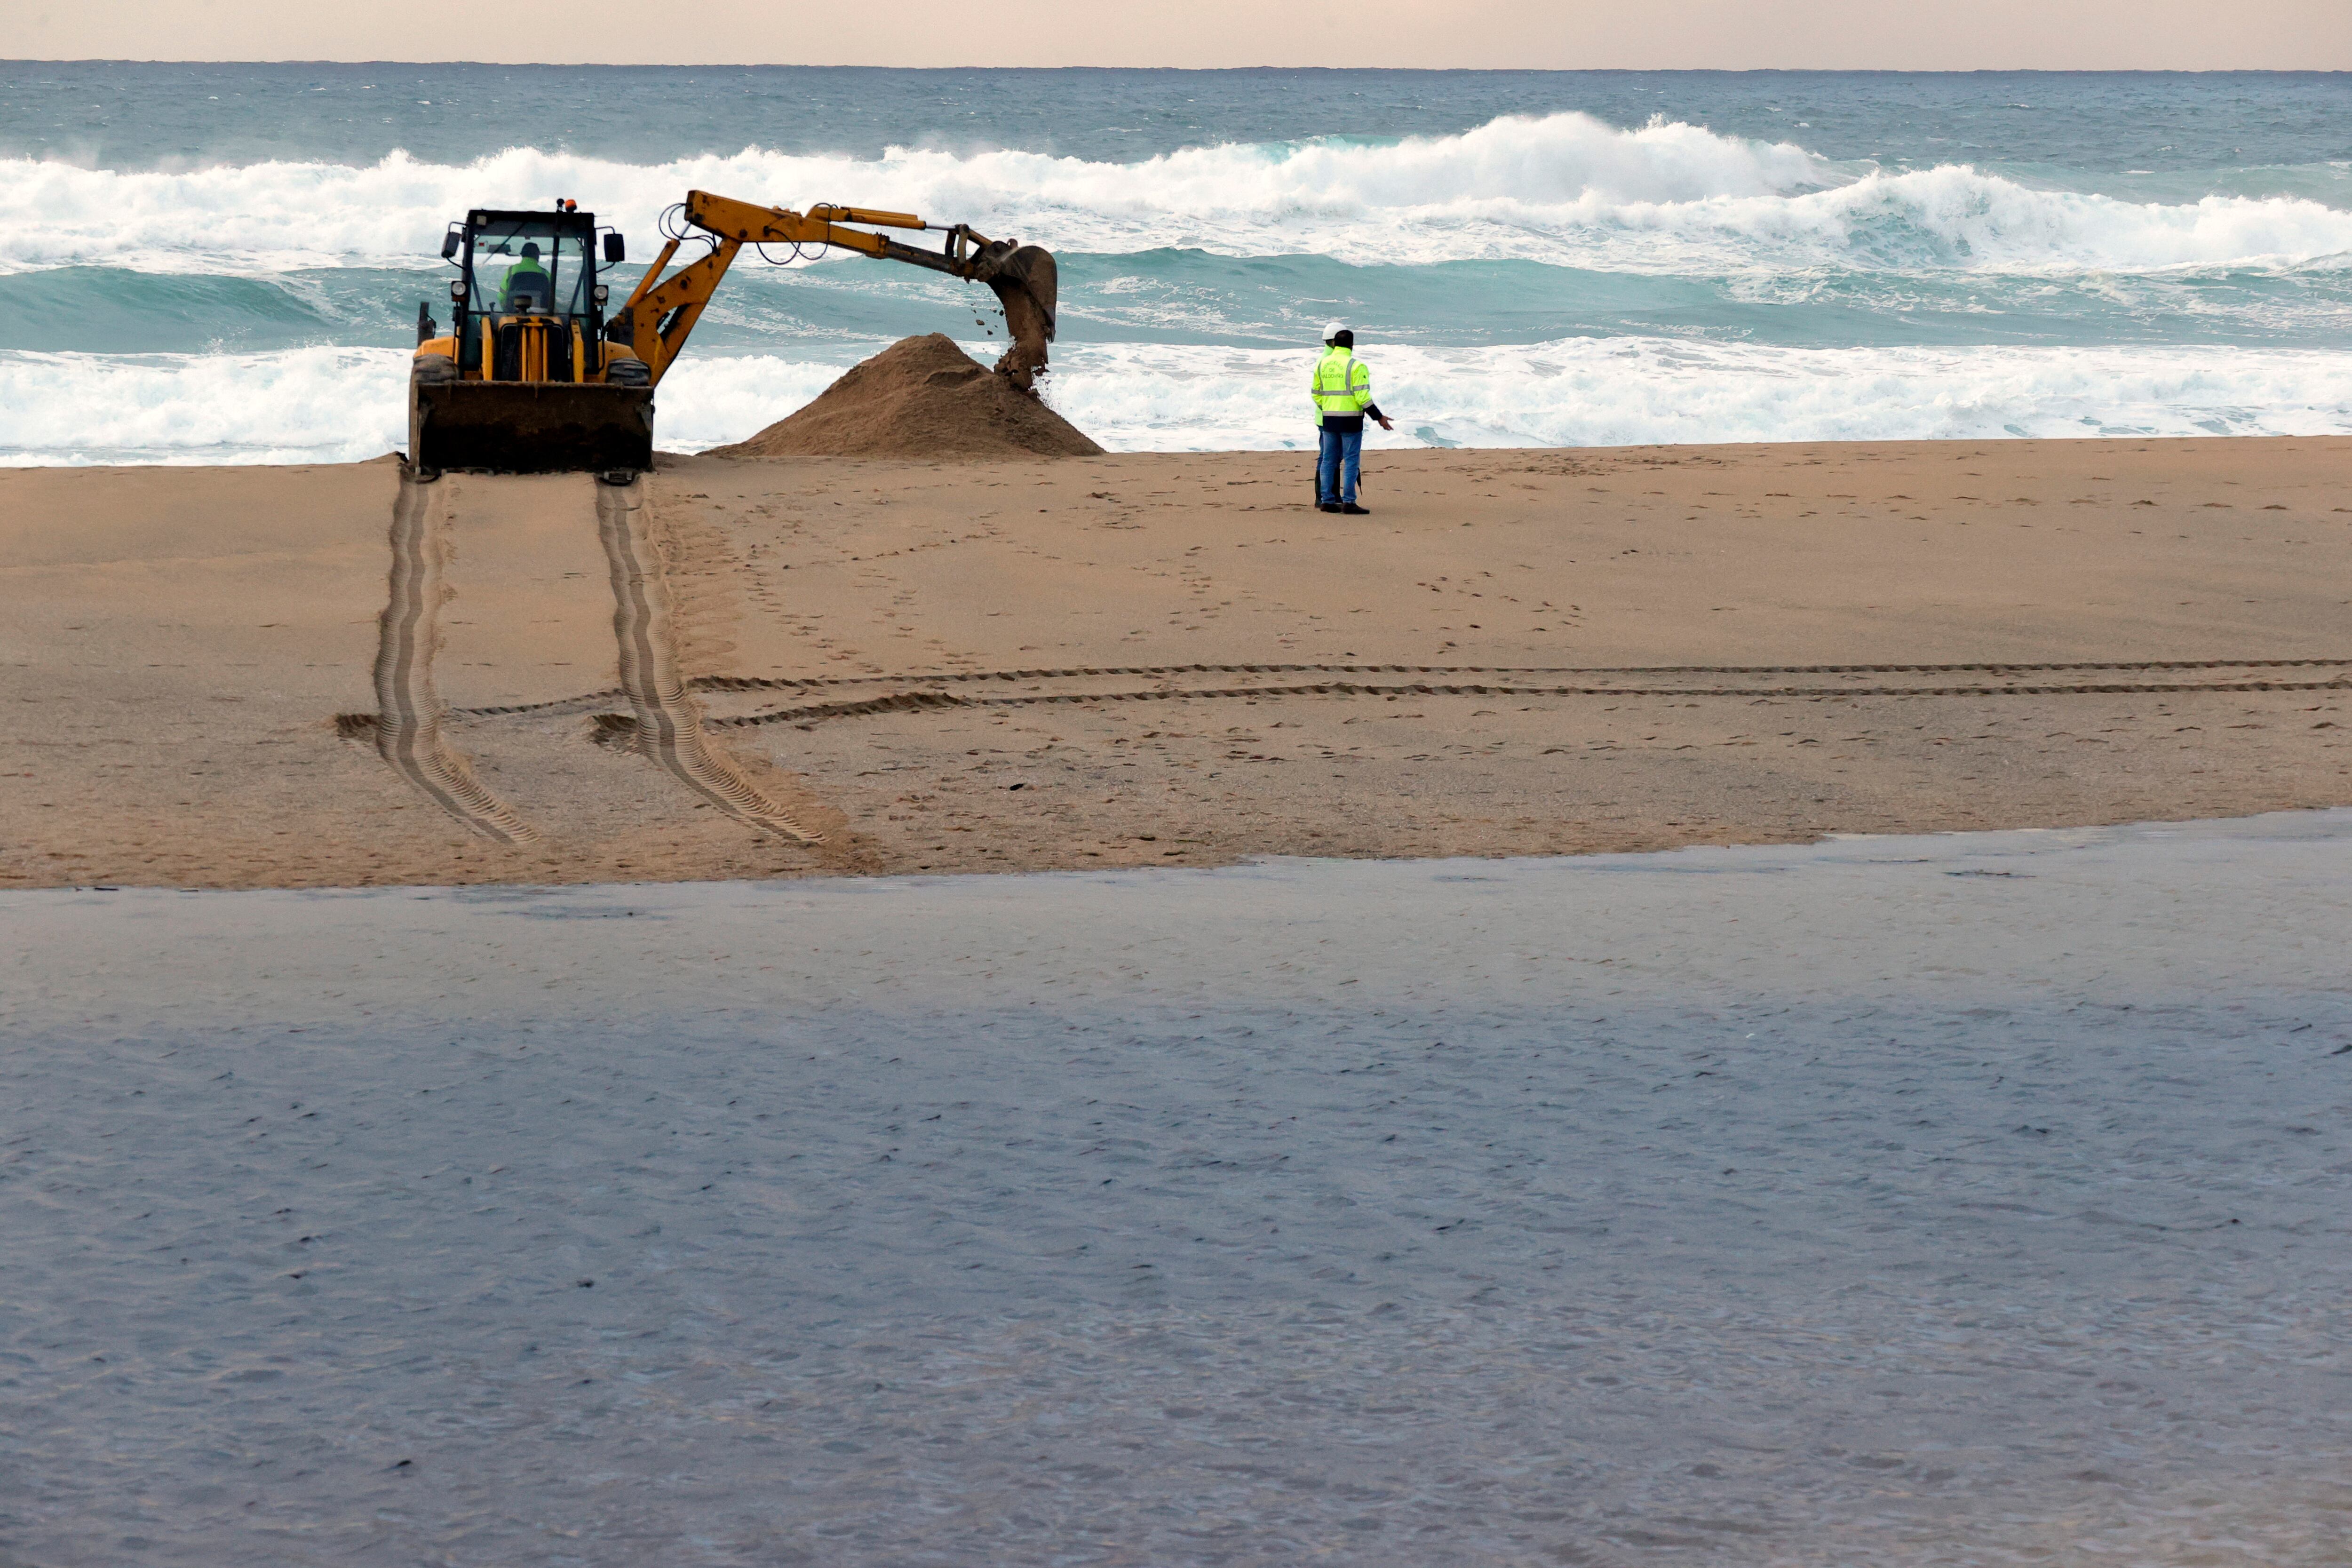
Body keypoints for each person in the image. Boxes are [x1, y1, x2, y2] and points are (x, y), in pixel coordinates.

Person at [1310, 321, 1393, 515]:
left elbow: (1315, 393)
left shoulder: (1322, 364)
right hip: (1351, 421)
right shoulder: (1356, 366)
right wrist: (1379, 418)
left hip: (1329, 419)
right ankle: (1349, 501)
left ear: (1334, 344)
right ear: (1352, 345)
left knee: (1329, 461)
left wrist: (1328, 407)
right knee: (1351, 461)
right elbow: (1363, 397)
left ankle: (1327, 501)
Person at [502, 241, 552, 311]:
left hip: (513, 316)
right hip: (541, 316)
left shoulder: (511, 271)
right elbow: (551, 299)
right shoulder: (546, 274)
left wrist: (506, 311)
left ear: (522, 255)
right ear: (537, 256)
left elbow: (502, 296)